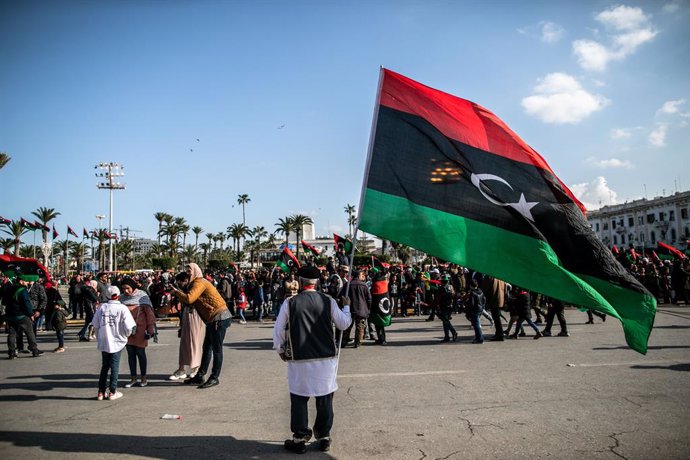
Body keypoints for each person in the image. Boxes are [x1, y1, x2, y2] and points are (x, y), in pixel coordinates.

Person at [273, 265, 352, 454]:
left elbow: (278, 331)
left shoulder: (290, 303)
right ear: (317, 283)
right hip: (325, 358)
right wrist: (347, 306)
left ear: (300, 282)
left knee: (299, 398)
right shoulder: (329, 301)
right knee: (325, 398)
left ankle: (299, 438)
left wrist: (281, 350)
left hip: (299, 358)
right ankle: (323, 436)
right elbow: (344, 323)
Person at [171, 263, 231, 389]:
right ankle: (200, 376)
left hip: (218, 317)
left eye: (189, 271)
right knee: (207, 348)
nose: (188, 273)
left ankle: (214, 377)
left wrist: (177, 292)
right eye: (186, 271)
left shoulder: (199, 282)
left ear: (195, 271)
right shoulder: (194, 284)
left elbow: (189, 299)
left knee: (216, 349)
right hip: (212, 319)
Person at [92, 286, 136, 401]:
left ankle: (101, 392)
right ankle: (112, 391)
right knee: (114, 366)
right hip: (117, 340)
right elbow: (129, 327)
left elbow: (95, 325)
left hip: (104, 340)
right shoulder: (122, 308)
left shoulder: (102, 308)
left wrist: (99, 336)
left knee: (105, 366)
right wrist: (126, 335)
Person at [120, 278, 156, 388]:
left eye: (128, 288)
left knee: (140, 354)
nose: (126, 291)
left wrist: (150, 329)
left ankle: (144, 378)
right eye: (124, 289)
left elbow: (150, 315)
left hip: (140, 331)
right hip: (127, 331)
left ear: (133, 287)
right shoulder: (121, 299)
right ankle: (133, 378)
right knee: (131, 355)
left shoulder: (142, 296)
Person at [169, 272, 205, 381]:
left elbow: (190, 299)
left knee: (195, 344)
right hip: (187, 317)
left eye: (181, 283)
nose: (180, 285)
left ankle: (195, 370)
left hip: (197, 318)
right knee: (185, 344)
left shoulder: (197, 287)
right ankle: (181, 370)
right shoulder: (185, 289)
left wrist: (177, 292)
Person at [3, 270, 43, 358]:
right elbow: (27, 304)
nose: (27, 282)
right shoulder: (23, 290)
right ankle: (34, 350)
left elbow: (4, 302)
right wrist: (31, 314)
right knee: (29, 332)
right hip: (21, 315)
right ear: (21, 281)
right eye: (25, 281)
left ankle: (12, 352)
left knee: (12, 334)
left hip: (10, 315)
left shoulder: (9, 289)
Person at [341, 269, 371, 348]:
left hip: (349, 308)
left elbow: (341, 296)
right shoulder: (364, 285)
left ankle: (344, 341)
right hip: (361, 309)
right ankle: (358, 342)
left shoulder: (347, 285)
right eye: (362, 275)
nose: (363, 276)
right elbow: (369, 298)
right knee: (360, 326)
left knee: (347, 326)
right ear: (358, 275)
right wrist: (368, 308)